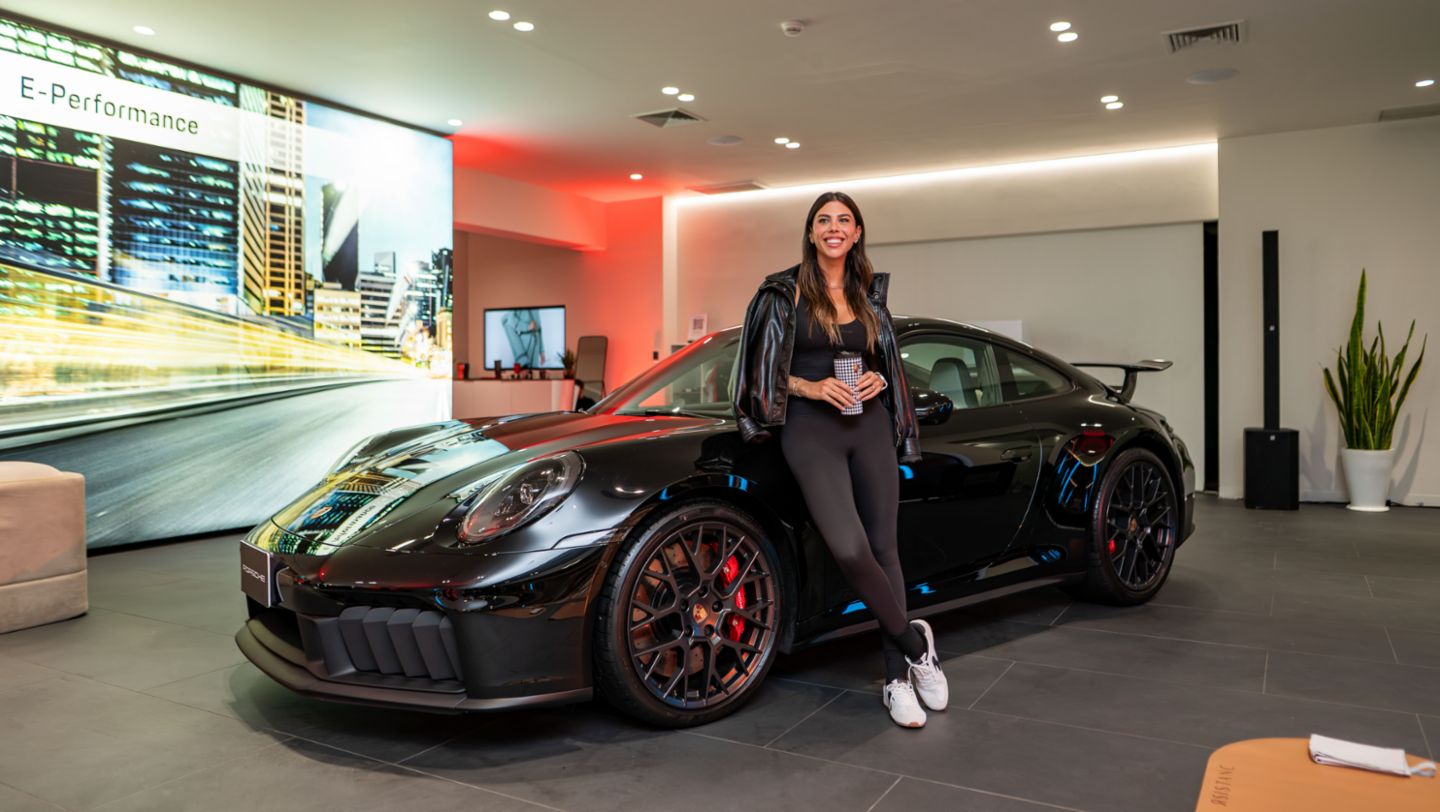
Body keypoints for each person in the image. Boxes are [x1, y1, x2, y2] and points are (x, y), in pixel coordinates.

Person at [733, 191, 948, 728]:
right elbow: (757, 374)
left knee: (884, 549)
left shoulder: (869, 296)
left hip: (868, 424)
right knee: (851, 550)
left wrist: (876, 376)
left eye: (843, 220)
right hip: (811, 431)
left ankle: (897, 679)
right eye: (823, 220)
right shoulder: (781, 293)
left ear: (856, 233)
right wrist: (808, 385)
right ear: (811, 233)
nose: (834, 228)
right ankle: (915, 641)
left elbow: (883, 360)